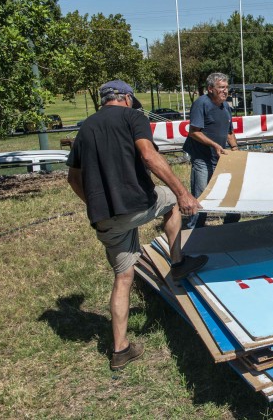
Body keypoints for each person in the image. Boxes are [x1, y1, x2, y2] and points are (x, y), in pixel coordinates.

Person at [67, 80, 207, 371]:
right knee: (169, 202)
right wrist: (183, 193)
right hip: (137, 204)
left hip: (104, 217)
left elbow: (73, 178)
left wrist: (96, 205)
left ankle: (120, 350)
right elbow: (148, 154)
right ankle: (178, 261)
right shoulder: (134, 117)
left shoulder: (86, 128)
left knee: (123, 278)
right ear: (126, 98)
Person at [183, 72, 240, 228]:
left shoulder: (226, 106)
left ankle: (230, 228)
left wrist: (235, 149)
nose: (225, 91)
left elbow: (229, 132)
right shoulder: (201, 104)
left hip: (221, 159)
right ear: (210, 88)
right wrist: (214, 144)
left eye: (226, 87)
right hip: (202, 160)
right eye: (221, 87)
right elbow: (194, 132)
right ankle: (194, 232)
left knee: (231, 196)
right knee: (201, 199)